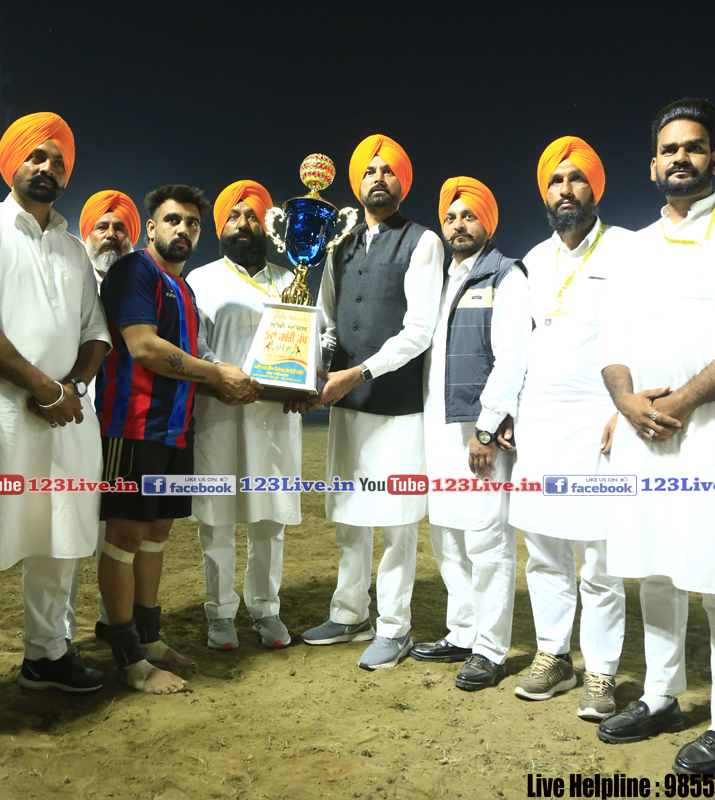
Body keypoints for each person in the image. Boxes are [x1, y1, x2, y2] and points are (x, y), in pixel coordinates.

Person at [596, 99, 715, 775]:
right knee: (656, 571)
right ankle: (661, 695)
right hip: (644, 434)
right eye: (669, 149)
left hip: (714, 434)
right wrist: (626, 401)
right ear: (652, 165)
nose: (681, 158)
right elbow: (611, 342)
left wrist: (687, 400)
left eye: (693, 147)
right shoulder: (631, 247)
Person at [0, 112, 110, 730]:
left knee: (59, 538)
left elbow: (96, 333)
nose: (47, 168)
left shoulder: (72, 247)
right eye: (36, 156)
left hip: (68, 415)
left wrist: (72, 388)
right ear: (12, 161)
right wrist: (43, 388)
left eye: (58, 160)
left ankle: (47, 654)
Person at [95, 184, 257, 693]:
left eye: (191, 223)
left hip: (174, 430)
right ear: (151, 227)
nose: (182, 229)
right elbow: (143, 347)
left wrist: (230, 380)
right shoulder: (134, 271)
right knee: (124, 536)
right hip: (131, 427)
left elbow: (191, 358)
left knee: (157, 533)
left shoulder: (183, 289)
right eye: (172, 220)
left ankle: (149, 638)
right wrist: (216, 374)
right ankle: (128, 658)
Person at [299, 134, 443, 671]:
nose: (377, 178)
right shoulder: (339, 245)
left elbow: (419, 330)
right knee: (350, 518)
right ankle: (349, 613)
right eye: (368, 171)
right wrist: (312, 368)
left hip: (398, 408)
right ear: (356, 183)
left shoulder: (423, 242)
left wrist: (357, 372)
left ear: (402, 182)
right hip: (346, 404)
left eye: (387, 170)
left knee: (396, 521)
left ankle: (394, 628)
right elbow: (327, 320)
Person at [508, 137, 629, 721]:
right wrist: (509, 410)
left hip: (599, 420)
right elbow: (518, 344)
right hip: (539, 419)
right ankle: (553, 656)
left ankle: (602, 670)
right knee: (544, 549)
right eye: (555, 181)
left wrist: (624, 407)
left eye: (577, 178)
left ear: (594, 187)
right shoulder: (531, 260)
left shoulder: (627, 249)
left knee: (600, 556)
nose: (565, 190)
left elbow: (645, 331)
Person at [411, 177, 527, 691]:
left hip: (475, 432)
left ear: (488, 222)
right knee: (448, 537)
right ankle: (462, 632)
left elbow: (511, 357)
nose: (459, 225)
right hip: (437, 428)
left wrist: (486, 428)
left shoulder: (506, 275)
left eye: (469, 215)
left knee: (486, 540)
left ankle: (491, 648)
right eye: (451, 217)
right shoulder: (440, 281)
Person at [186, 180, 300, 650]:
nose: (243, 224)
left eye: (252, 215)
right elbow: (195, 343)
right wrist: (222, 373)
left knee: (269, 518)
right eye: (233, 216)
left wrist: (304, 377)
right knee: (216, 518)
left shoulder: (289, 280)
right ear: (221, 227)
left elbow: (305, 341)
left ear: (266, 226)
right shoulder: (200, 279)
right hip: (217, 412)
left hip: (275, 418)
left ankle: (266, 609)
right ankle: (220, 613)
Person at [61, 189, 142, 650]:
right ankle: (61, 635)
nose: (111, 235)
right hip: (72, 417)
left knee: (119, 530)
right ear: (86, 234)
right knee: (70, 530)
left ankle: (114, 621)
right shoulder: (69, 282)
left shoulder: (142, 287)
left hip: (125, 427)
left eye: (120, 229)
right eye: (102, 227)